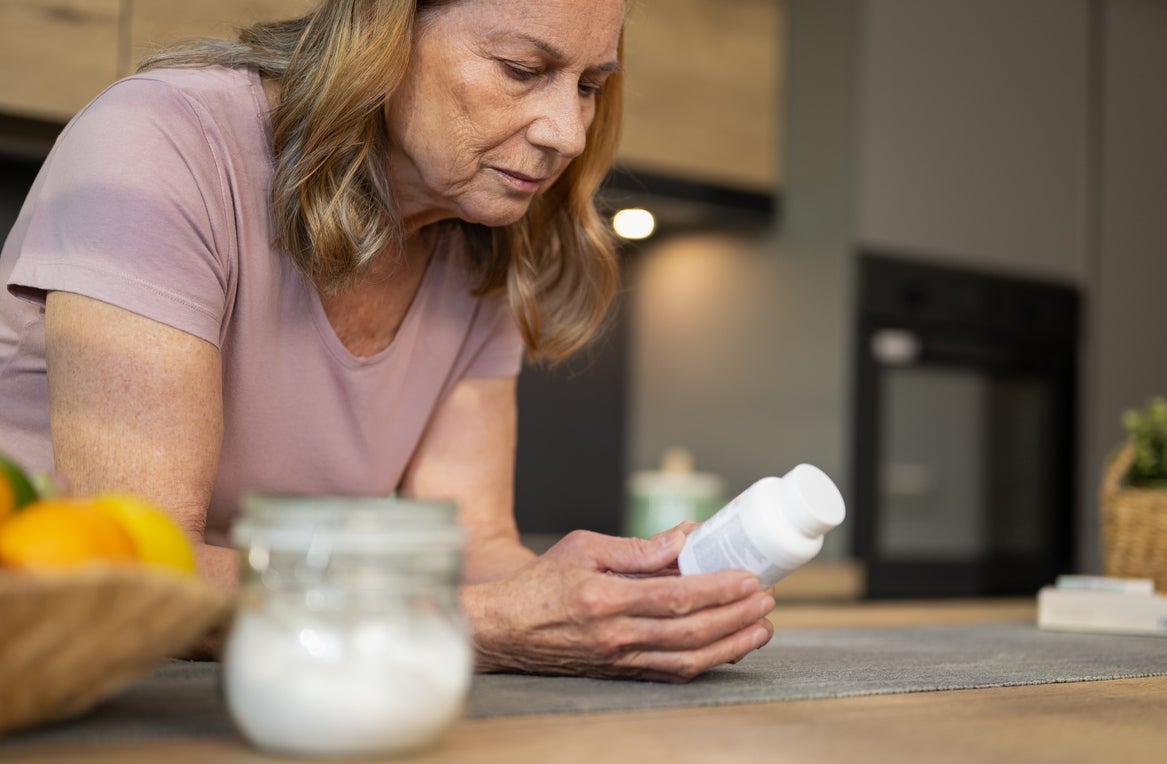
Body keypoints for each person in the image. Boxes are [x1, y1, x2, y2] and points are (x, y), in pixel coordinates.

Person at [0, 0, 774, 682]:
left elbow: (472, 545)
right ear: (385, 28)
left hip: (285, 671)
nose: (568, 132)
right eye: (519, 68)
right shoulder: (162, 141)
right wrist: (493, 624)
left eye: (588, 86)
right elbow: (146, 572)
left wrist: (606, 604)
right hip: (61, 675)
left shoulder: (479, 231)